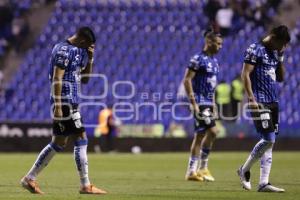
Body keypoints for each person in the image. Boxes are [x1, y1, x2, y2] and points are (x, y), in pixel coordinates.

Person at [20, 27, 107, 195]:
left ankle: (29, 178)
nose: (87, 48)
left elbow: (86, 79)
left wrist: (90, 58)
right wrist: (59, 106)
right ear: (82, 41)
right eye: (87, 46)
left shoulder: (80, 51)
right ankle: (85, 185)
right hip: (65, 102)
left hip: (72, 101)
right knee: (81, 138)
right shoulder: (63, 50)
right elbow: (57, 78)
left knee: (59, 142)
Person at [237, 25, 290, 192]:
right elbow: (245, 74)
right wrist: (251, 98)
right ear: (273, 38)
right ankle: (244, 170)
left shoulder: (275, 53)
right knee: (269, 139)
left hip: (273, 101)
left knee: (269, 143)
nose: (283, 47)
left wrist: (280, 58)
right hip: (259, 101)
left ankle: (263, 183)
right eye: (282, 44)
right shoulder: (255, 49)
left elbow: (281, 78)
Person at [183, 29, 223, 182]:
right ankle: (202, 168)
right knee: (213, 131)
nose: (220, 47)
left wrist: (213, 105)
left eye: (221, 44)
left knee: (200, 136)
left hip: (208, 102)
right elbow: (187, 80)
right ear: (209, 42)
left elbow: (211, 86)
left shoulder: (215, 62)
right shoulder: (197, 59)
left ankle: (192, 171)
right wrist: (193, 103)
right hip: (199, 102)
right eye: (218, 44)